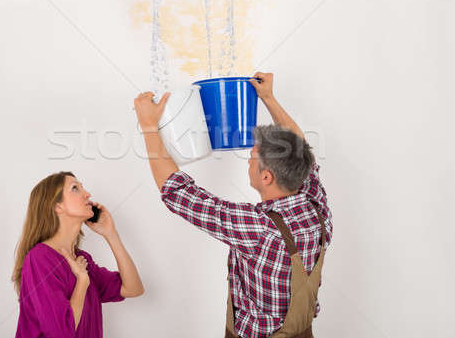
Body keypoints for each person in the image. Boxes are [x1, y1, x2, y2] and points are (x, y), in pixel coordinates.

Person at [134, 72, 333, 338]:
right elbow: (302, 148)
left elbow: (177, 192)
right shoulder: (315, 205)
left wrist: (149, 125)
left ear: (266, 176)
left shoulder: (259, 227)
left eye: (252, 158)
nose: (248, 162)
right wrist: (269, 98)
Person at [12, 171, 144, 338]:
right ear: (56, 206)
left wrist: (110, 234)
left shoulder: (83, 259)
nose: (87, 194)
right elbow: (61, 333)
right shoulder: (40, 258)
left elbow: (133, 288)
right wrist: (82, 281)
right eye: (75, 188)